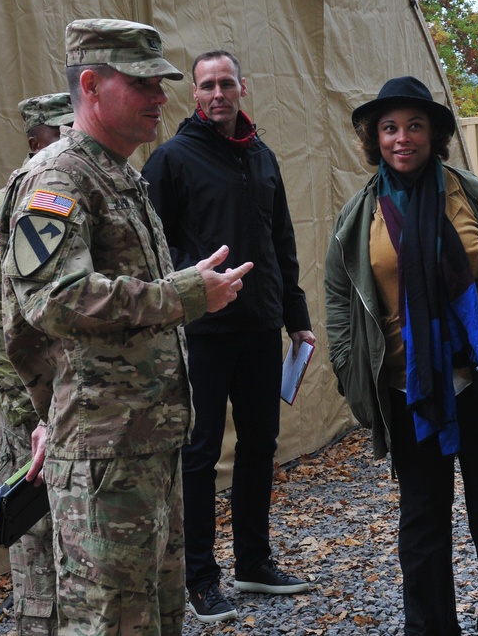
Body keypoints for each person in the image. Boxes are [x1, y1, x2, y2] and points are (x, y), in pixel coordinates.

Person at [0, 18, 252, 635]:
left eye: (162, 84)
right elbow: (52, 302)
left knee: (156, 616)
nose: (161, 98)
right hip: (101, 454)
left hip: (145, 445)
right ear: (90, 85)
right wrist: (183, 295)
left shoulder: (120, 174)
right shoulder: (58, 178)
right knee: (109, 620)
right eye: (143, 84)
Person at [325, 75, 478, 636]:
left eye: (414, 126)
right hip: (408, 386)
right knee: (423, 516)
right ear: (374, 138)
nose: (402, 138)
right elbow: (338, 295)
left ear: (435, 134)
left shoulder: (476, 198)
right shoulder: (360, 216)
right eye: (389, 128)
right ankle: (430, 628)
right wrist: (349, 368)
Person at [142, 49, 317, 624]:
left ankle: (253, 562)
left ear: (245, 87)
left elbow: (280, 242)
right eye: (206, 86)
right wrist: (184, 294)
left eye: (226, 83)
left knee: (260, 445)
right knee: (199, 453)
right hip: (205, 331)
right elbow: (150, 247)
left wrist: (296, 317)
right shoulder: (171, 160)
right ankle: (199, 575)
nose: (217, 94)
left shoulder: (261, 156)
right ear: (194, 95)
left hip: (262, 328)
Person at [0, 92, 73, 634]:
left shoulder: (84, 200)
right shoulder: (1, 213)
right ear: (36, 142)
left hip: (88, 417)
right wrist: (32, 416)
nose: (76, 141)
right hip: (34, 418)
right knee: (37, 566)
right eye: (63, 132)